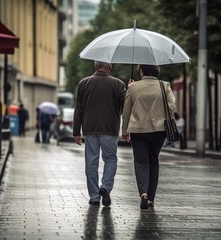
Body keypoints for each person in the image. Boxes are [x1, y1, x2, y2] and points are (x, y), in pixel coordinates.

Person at [122, 64, 176, 209]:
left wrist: (125, 131)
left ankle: (143, 194)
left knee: (140, 162)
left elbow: (126, 110)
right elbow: (171, 107)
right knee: (153, 161)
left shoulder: (133, 87)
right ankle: (151, 198)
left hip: (138, 129)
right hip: (159, 130)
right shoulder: (165, 86)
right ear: (156, 71)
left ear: (141, 71)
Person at [73, 61, 126, 207]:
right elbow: (126, 107)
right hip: (110, 128)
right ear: (109, 67)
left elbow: (79, 109)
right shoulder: (118, 84)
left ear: (95, 67)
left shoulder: (84, 83)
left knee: (91, 161)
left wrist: (76, 132)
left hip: (90, 128)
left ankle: (94, 197)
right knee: (110, 159)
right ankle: (106, 187)